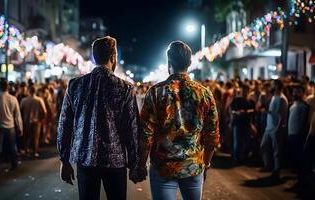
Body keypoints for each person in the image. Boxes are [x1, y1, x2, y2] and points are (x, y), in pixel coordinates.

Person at [57, 36, 144, 200]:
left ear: (93, 57)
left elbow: (64, 124)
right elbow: (131, 129)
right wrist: (134, 164)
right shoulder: (124, 88)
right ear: (113, 57)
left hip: (85, 159)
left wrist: (64, 160)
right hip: (115, 161)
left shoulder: (75, 85)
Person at [140, 41, 220, 200]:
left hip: (163, 167)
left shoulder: (156, 92)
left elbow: (146, 134)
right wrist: (206, 163)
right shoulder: (204, 93)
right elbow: (212, 134)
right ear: (190, 63)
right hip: (193, 165)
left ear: (168, 61)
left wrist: (140, 164)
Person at [0, 79, 23, 174]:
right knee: (12, 147)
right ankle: (14, 164)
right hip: (10, 126)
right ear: (7, 87)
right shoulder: (13, 99)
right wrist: (20, 128)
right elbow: (17, 115)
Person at [260, 79, 288, 180]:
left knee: (277, 151)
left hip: (276, 128)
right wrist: (267, 111)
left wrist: (278, 127)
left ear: (276, 86)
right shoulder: (274, 97)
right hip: (269, 127)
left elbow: (283, 116)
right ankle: (269, 165)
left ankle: (277, 170)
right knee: (264, 145)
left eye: (272, 85)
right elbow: (273, 112)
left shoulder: (282, 98)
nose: (271, 86)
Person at [287, 84, 309, 183]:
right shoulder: (292, 104)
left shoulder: (304, 106)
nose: (295, 93)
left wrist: (301, 134)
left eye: (298, 91)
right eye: (294, 91)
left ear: (303, 93)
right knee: (294, 156)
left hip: (298, 135)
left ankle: (301, 179)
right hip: (291, 133)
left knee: (299, 156)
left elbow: (305, 122)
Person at [20, 85, 47, 158]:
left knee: (26, 137)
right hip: (36, 121)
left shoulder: (24, 100)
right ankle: (35, 152)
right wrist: (41, 119)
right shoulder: (39, 100)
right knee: (35, 138)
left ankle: (26, 151)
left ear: (29, 91)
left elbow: (20, 110)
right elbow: (44, 111)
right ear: (35, 91)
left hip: (26, 121)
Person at [230, 85, 253, 164]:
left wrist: (246, 112)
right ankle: (236, 158)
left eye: (245, 91)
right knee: (237, 141)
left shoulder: (250, 100)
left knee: (246, 142)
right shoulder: (236, 99)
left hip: (246, 123)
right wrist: (237, 112)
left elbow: (253, 110)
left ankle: (243, 158)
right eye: (243, 91)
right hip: (237, 122)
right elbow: (231, 110)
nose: (244, 92)